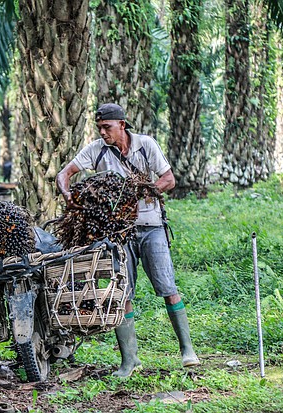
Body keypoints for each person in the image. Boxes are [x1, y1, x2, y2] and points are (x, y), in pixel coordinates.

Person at [56, 103, 200, 377]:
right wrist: (68, 196)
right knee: (122, 294)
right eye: (99, 127)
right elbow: (64, 173)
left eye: (107, 127)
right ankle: (129, 361)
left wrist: (145, 191)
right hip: (119, 234)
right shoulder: (96, 150)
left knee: (168, 288)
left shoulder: (145, 145)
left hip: (152, 228)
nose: (102, 132)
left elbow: (169, 179)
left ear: (122, 124)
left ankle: (187, 350)